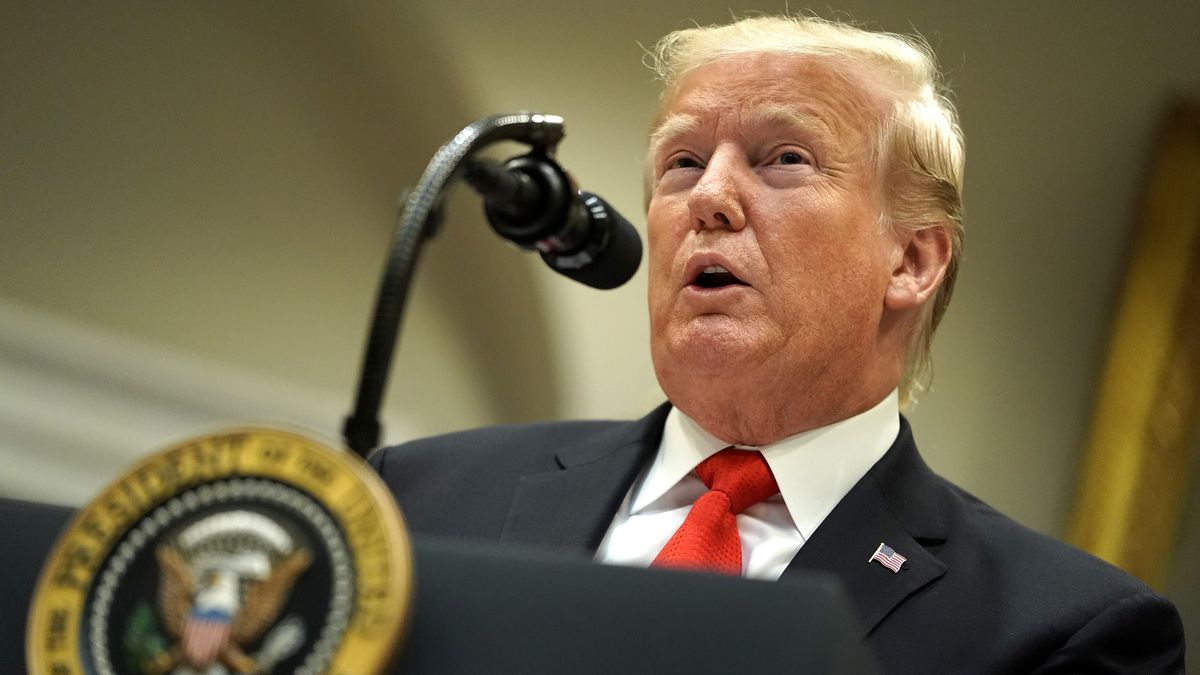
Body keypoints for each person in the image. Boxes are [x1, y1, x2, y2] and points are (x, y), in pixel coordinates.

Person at [369, 14, 1185, 673]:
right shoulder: (418, 501)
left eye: (784, 158)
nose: (710, 196)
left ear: (911, 259)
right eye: (682, 162)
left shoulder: (1064, 633)